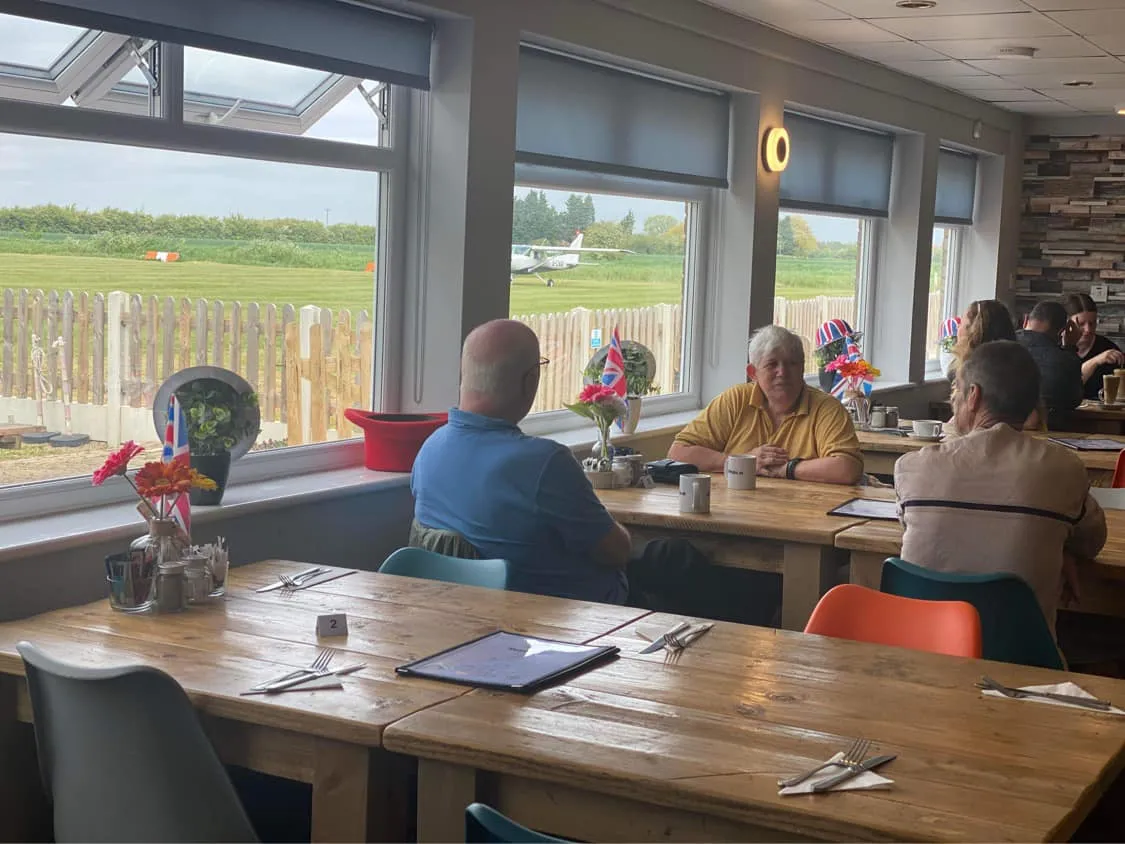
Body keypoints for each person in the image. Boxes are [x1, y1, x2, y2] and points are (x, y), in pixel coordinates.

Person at [895, 340, 1106, 639]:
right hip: (1022, 662)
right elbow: (1092, 542)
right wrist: (1057, 544)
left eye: (957, 389)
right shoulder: (1065, 470)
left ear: (973, 395)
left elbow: (917, 533)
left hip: (922, 652)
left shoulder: (912, 468)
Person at [411, 319, 632, 603]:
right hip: (564, 622)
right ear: (530, 382)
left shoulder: (430, 449)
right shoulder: (546, 463)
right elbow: (616, 551)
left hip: (458, 614)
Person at [668, 325, 863, 485]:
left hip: (806, 517)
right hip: (734, 513)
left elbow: (847, 468)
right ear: (753, 373)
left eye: (792, 364)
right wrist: (741, 462)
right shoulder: (735, 400)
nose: (783, 372)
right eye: (772, 364)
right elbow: (679, 452)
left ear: (802, 367)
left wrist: (787, 469)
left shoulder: (826, 408)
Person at [1016, 300, 1083, 428]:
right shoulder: (1066, 360)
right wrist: (1071, 347)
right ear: (1062, 332)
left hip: (1006, 432)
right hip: (1049, 432)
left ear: (1025, 320)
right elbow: (1074, 400)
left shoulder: (1001, 346)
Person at [1061, 293, 1125, 400]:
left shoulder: (1108, 349)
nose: (1088, 330)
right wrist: (1096, 361)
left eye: (1092, 323)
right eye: (1081, 324)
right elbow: (1067, 388)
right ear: (1067, 324)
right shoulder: (1055, 349)